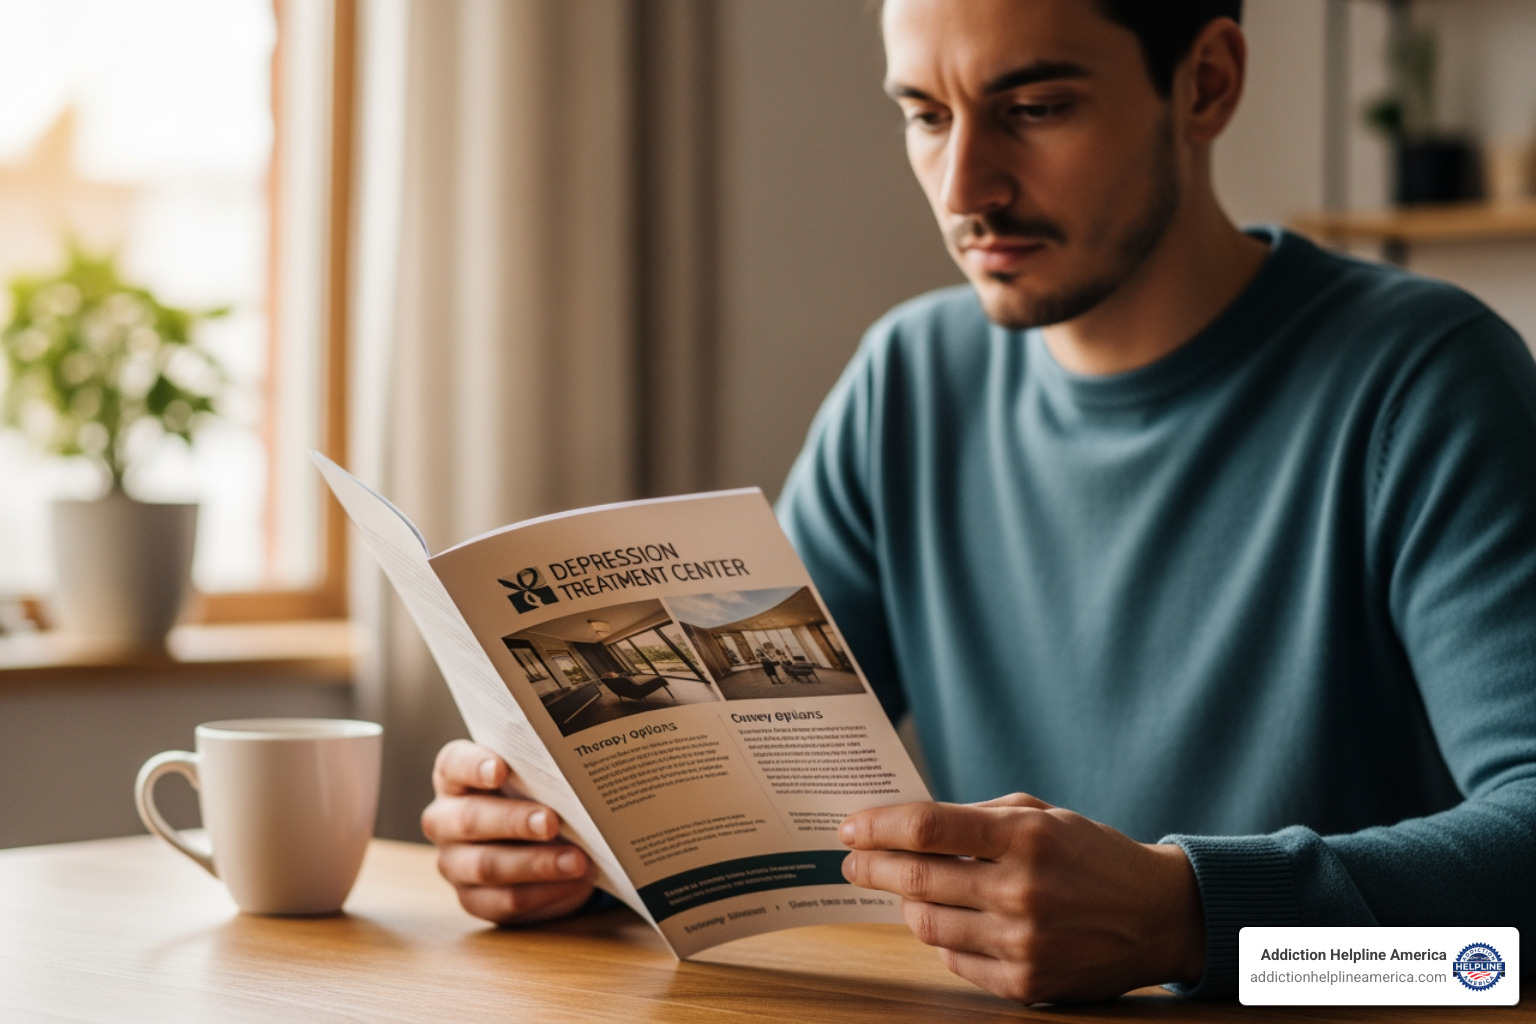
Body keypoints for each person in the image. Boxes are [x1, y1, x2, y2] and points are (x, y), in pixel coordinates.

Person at [420, 0, 1536, 1004]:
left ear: (1206, 84)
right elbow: (755, 789)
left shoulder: (1425, 382)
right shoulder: (907, 381)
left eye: (1036, 107)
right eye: (925, 115)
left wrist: (1192, 920)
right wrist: (576, 850)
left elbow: (1504, 927)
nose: (965, 190)